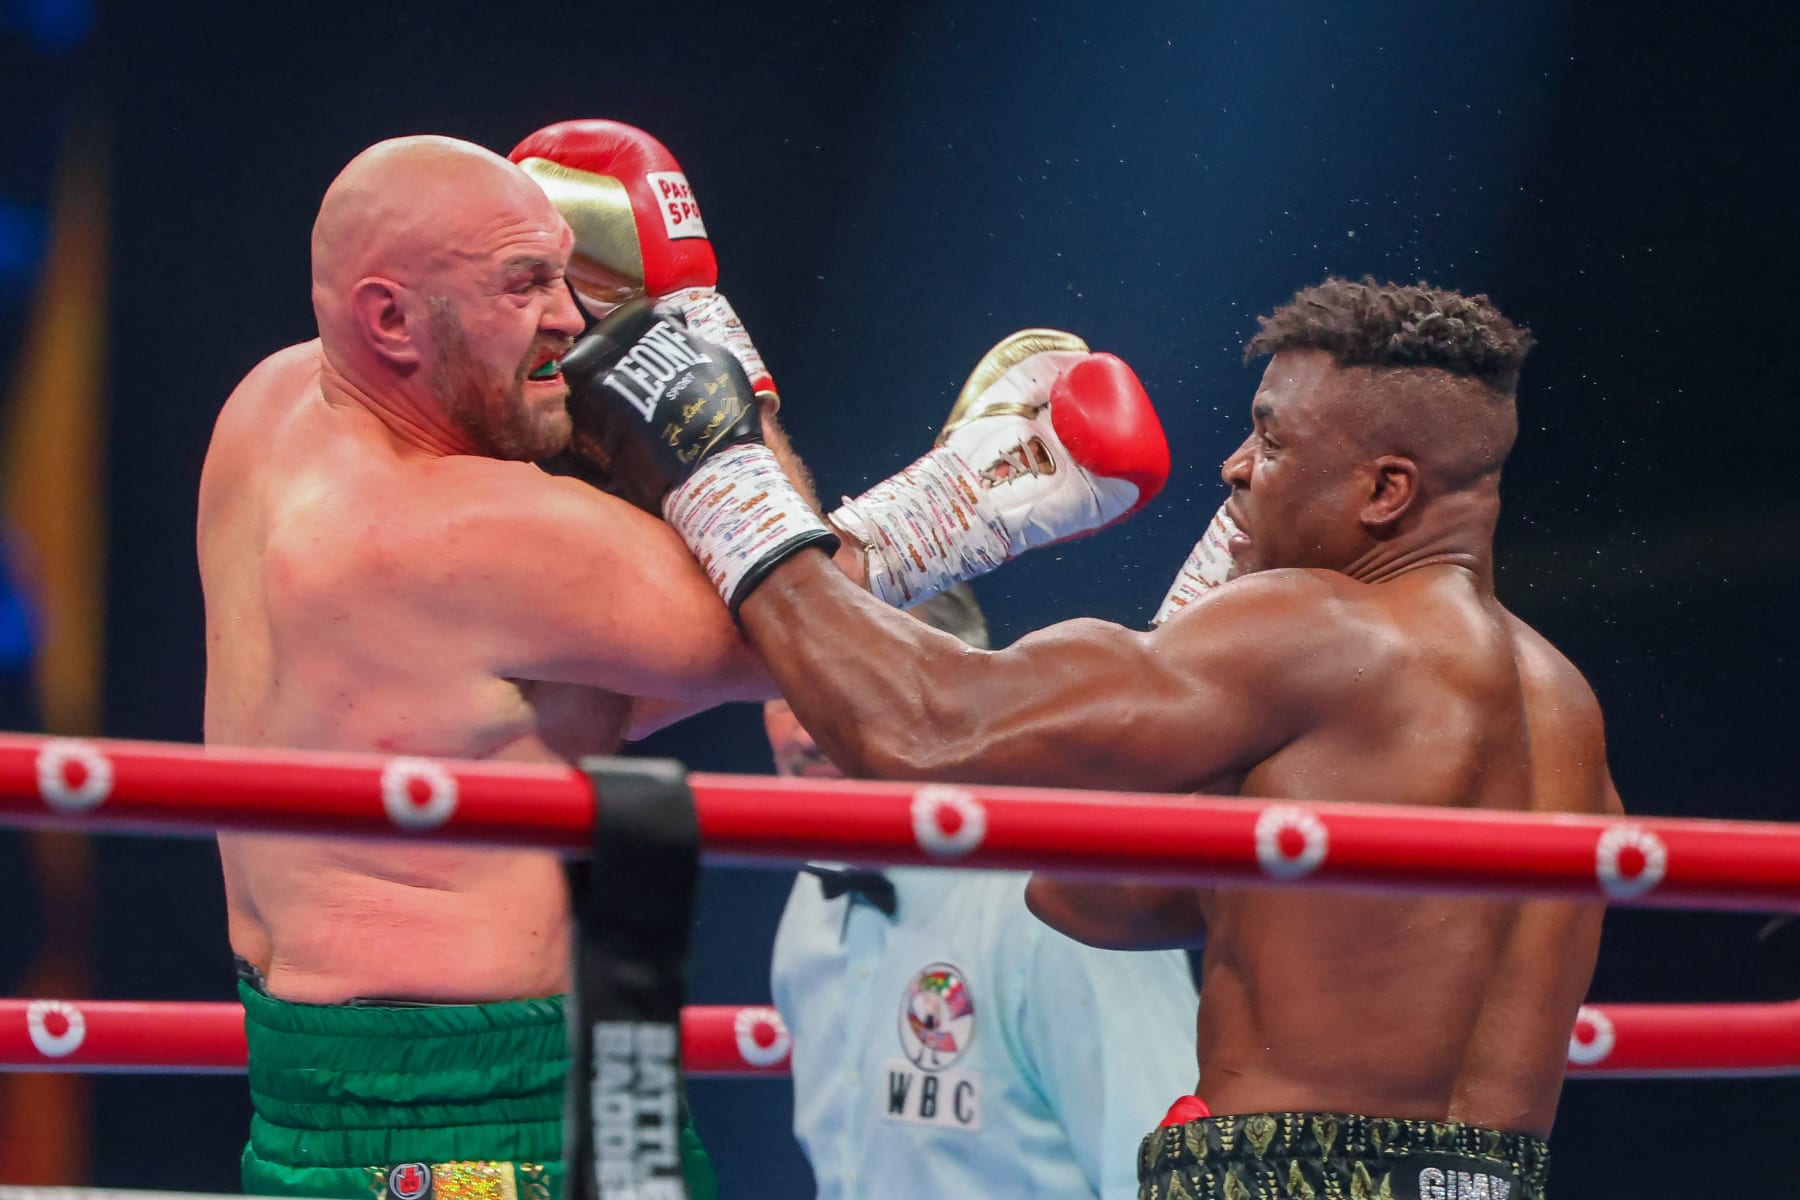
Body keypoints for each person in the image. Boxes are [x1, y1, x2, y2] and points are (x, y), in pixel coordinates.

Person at [197, 126, 1169, 1199]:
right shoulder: (470, 532)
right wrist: (745, 376)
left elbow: (545, 688)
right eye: (524, 285)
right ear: (388, 318)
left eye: (567, 273)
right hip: (474, 1109)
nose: (570, 318)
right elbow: (795, 623)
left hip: (350, 1084)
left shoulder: (270, 409)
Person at [571, 276, 1621, 1199]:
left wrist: (720, 470)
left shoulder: (1319, 629)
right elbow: (1094, 900)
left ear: (1385, 492)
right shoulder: (1562, 702)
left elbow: (927, 731)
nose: (1235, 468)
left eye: (1274, 439)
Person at [766, 584, 1199, 1200]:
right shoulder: (815, 895)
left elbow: (1153, 1178)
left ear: (949, 709)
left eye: (845, 696)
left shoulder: (1066, 900)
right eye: (783, 691)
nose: (806, 731)